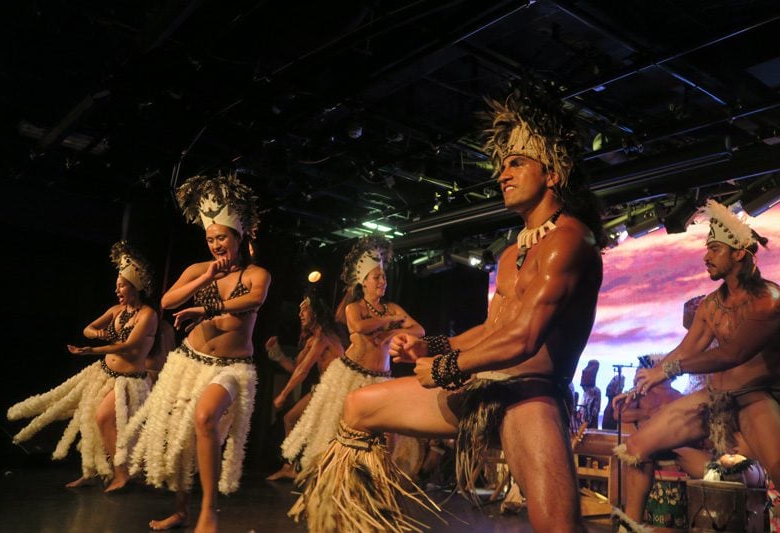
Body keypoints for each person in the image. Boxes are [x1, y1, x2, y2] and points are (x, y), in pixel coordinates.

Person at [289, 83, 606, 533]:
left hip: (529, 396)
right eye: (501, 165)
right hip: (482, 385)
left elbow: (523, 339)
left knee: (558, 528)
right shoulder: (513, 250)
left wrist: (445, 368)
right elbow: (493, 329)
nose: (503, 173)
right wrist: (429, 347)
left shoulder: (569, 241)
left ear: (552, 172)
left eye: (517, 163)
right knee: (359, 407)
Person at [613, 199, 780, 528]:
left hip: (756, 398)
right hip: (714, 401)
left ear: (739, 254)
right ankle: (629, 526)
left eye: (714, 249)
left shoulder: (768, 301)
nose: (706, 256)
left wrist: (670, 370)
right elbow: (686, 350)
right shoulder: (710, 305)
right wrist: (648, 381)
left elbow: (733, 354)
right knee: (636, 447)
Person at [120, 173, 269, 532]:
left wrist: (204, 310)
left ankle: (210, 512)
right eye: (210, 238)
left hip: (232, 368)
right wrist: (206, 278)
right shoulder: (200, 269)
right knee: (182, 436)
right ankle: (183, 510)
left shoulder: (257, 274)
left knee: (205, 418)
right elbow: (168, 300)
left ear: (239, 235)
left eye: (221, 237)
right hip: (189, 362)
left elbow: (253, 300)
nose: (216, 244)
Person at [8, 241, 158, 492]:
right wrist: (100, 334)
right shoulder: (116, 311)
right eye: (117, 285)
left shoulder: (148, 315)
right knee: (91, 422)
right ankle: (92, 471)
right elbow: (87, 329)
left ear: (135, 286)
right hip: (103, 374)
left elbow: (128, 346)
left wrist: (93, 350)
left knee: (104, 418)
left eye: (121, 285)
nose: (117, 289)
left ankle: (122, 474)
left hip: (129, 381)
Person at [282, 236, 425, 474]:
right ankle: (331, 474)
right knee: (337, 426)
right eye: (376, 277)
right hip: (351, 374)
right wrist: (389, 321)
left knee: (387, 432)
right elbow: (358, 327)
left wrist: (392, 333)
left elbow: (419, 329)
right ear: (364, 282)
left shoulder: (393, 307)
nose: (382, 281)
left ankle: (380, 476)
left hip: (382, 377)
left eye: (384, 276)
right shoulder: (354, 308)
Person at [266, 295, 344, 481]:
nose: (300, 314)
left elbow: (302, 370)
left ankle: (328, 472)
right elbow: (295, 368)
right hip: (323, 389)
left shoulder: (324, 336)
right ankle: (291, 466)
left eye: (305, 309)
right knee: (290, 419)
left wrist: (283, 395)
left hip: (335, 389)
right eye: (299, 310)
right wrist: (277, 354)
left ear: (316, 312)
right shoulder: (314, 340)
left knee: (314, 428)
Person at [579, 360, 601, 429]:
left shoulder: (595, 391)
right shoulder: (585, 393)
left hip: (589, 425)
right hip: (583, 423)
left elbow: (594, 412)